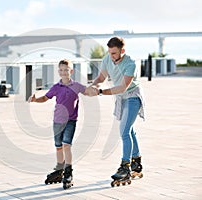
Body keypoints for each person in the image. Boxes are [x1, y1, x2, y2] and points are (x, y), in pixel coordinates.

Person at [28, 59, 98, 189]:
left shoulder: (76, 86)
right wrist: (35, 99)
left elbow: (87, 91)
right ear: (58, 72)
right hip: (57, 121)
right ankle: (60, 169)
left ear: (71, 71)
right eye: (61, 70)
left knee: (66, 145)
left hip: (71, 120)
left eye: (66, 70)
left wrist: (95, 90)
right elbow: (45, 98)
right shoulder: (56, 87)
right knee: (58, 146)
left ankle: (68, 171)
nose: (64, 72)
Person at [91, 37, 145, 184]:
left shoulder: (130, 64)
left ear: (122, 51)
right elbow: (102, 77)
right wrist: (93, 85)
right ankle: (137, 162)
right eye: (109, 52)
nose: (111, 56)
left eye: (114, 53)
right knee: (130, 130)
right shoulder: (107, 59)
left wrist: (101, 92)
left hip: (133, 97)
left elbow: (122, 87)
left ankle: (125, 167)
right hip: (121, 99)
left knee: (124, 131)